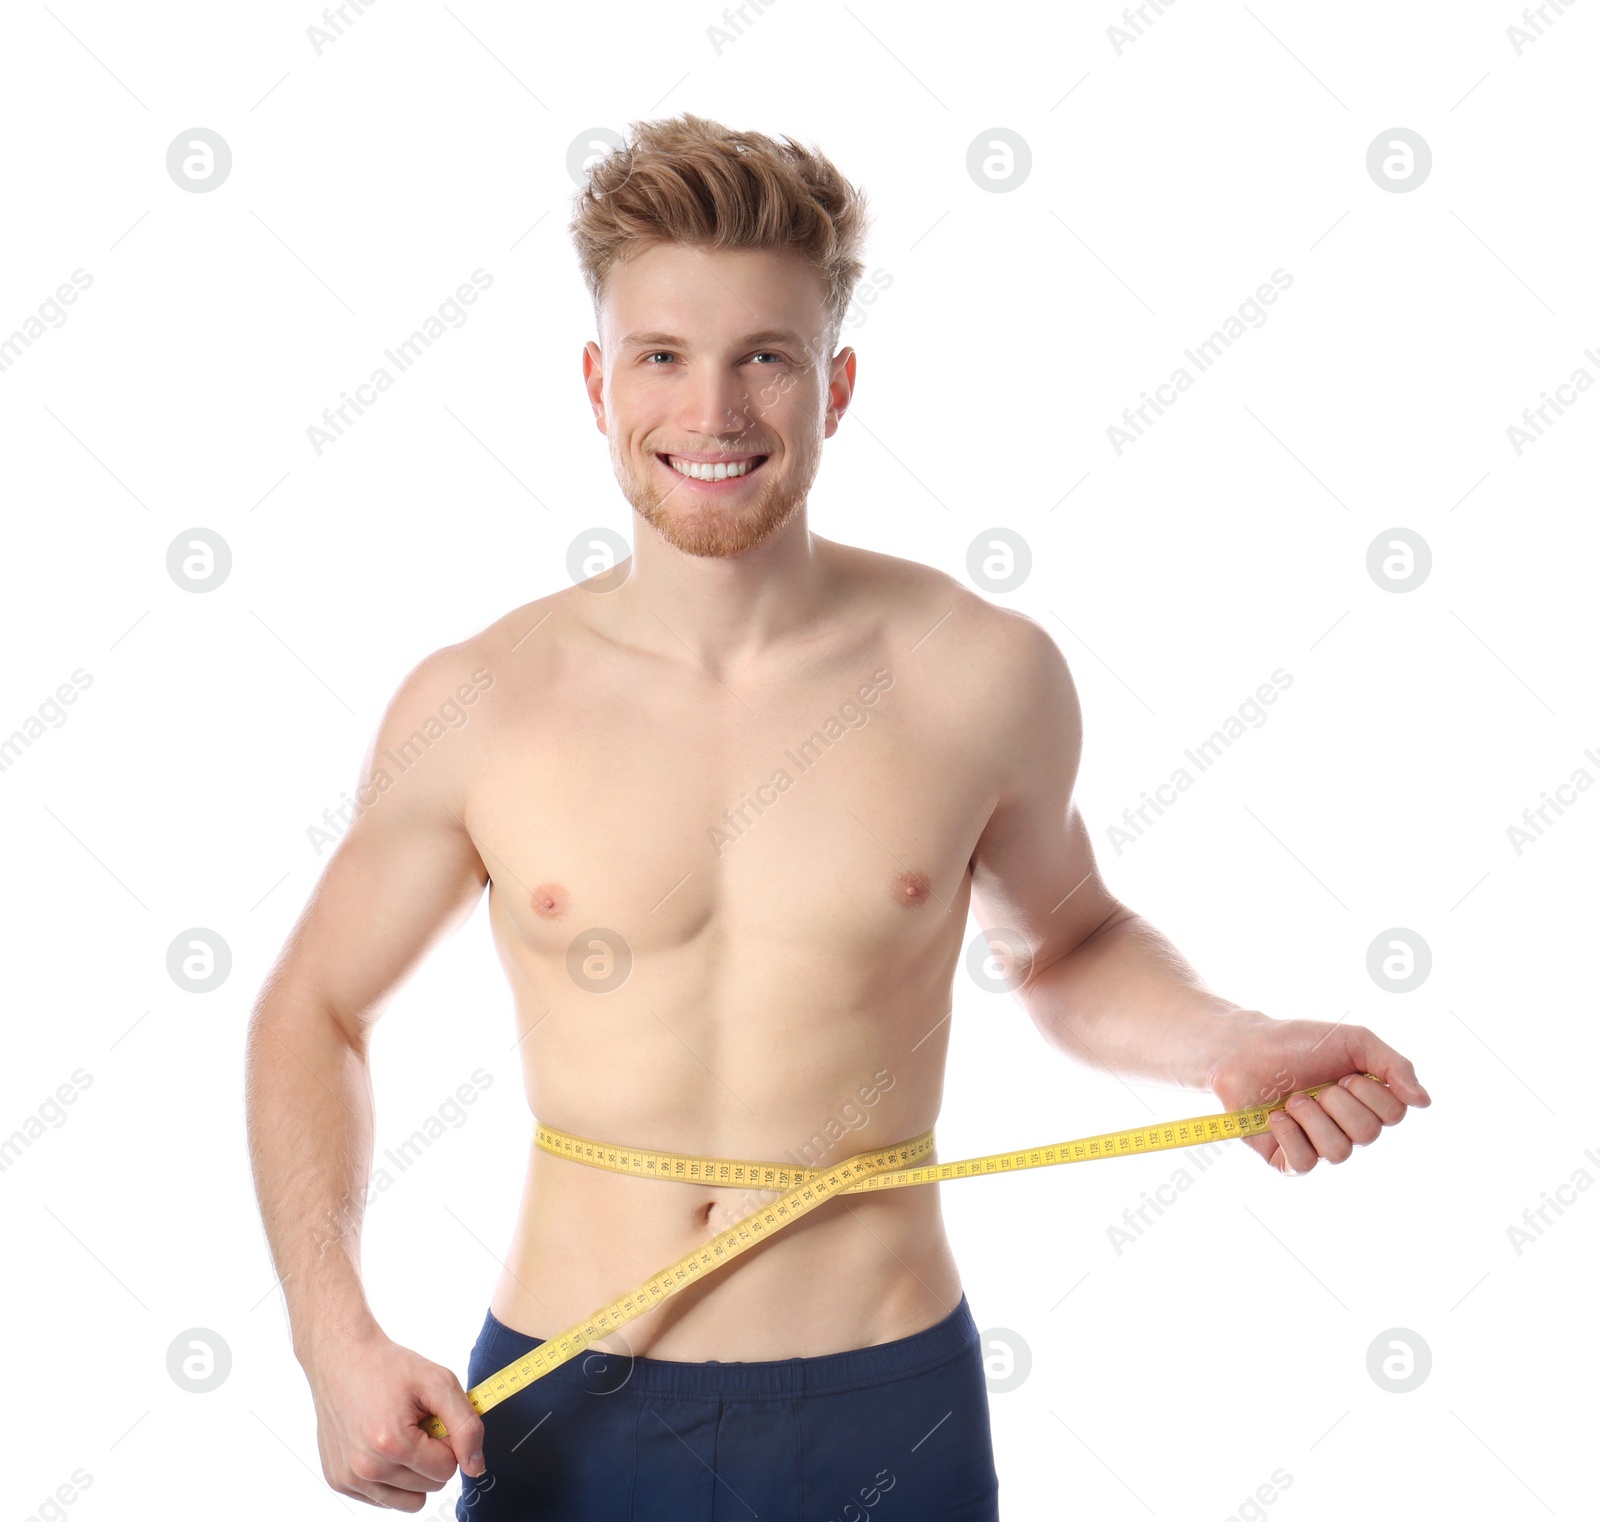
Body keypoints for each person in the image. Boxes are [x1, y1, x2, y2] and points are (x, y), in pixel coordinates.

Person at [244, 112, 1430, 1520]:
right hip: (564, 1405)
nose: (714, 412)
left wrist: (1227, 1043)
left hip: (886, 1404)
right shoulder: (481, 702)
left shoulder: (977, 672)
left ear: (837, 383)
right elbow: (312, 1007)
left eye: (767, 357)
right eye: (664, 358)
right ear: (596, 381)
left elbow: (1070, 943)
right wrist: (333, 1336)